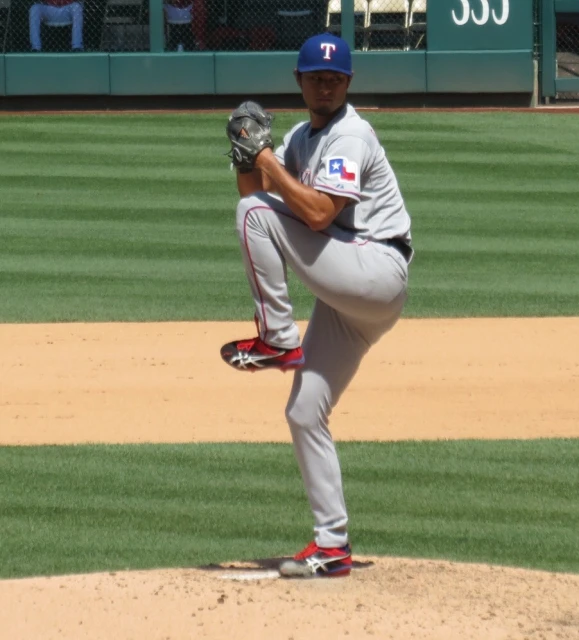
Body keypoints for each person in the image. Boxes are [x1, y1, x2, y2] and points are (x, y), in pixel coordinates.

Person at [221, 32, 413, 578]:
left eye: (334, 78)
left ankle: (277, 338)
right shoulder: (305, 138)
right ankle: (332, 547)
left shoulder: (351, 135)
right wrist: (242, 154)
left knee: (260, 215)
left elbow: (319, 214)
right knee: (305, 411)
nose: (325, 85)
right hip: (350, 294)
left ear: (347, 83)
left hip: (376, 270)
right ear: (300, 82)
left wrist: (265, 161)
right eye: (315, 77)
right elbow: (251, 188)